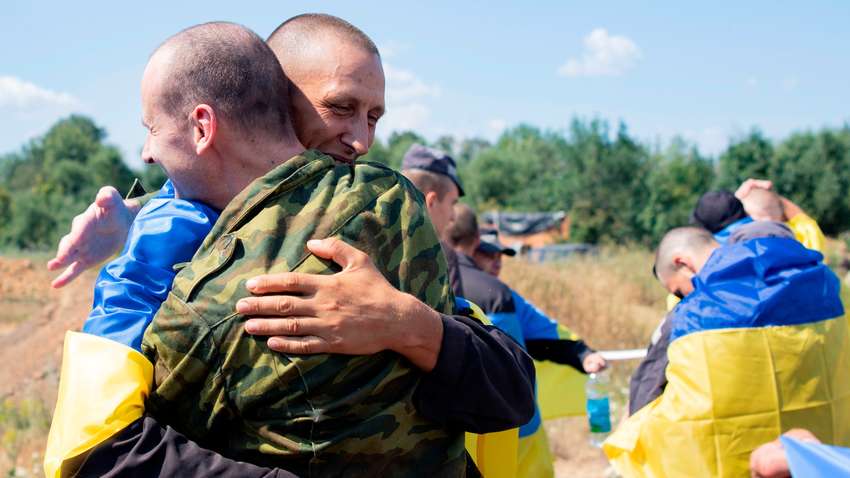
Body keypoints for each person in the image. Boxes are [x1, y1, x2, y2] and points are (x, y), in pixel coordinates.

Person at [45, 20, 534, 478]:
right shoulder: (382, 203)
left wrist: (407, 324)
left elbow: (510, 389)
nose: (361, 141)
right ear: (276, 100)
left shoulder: (377, 216)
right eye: (340, 108)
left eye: (374, 117)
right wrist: (140, 217)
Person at [605, 226, 850, 477]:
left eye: (677, 290)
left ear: (683, 263)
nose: (680, 297)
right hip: (821, 459)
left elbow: (646, 389)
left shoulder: (694, 310)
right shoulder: (830, 289)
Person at [448, 203, 606, 478]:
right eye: (488, 253)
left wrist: (582, 353)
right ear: (473, 247)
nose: (497, 261)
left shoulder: (499, 293)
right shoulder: (496, 294)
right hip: (509, 432)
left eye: (502, 255)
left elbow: (544, 332)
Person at [400, 144, 464, 295]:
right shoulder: (441, 255)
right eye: (452, 203)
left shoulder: (366, 231)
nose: (453, 217)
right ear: (431, 202)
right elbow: (451, 317)